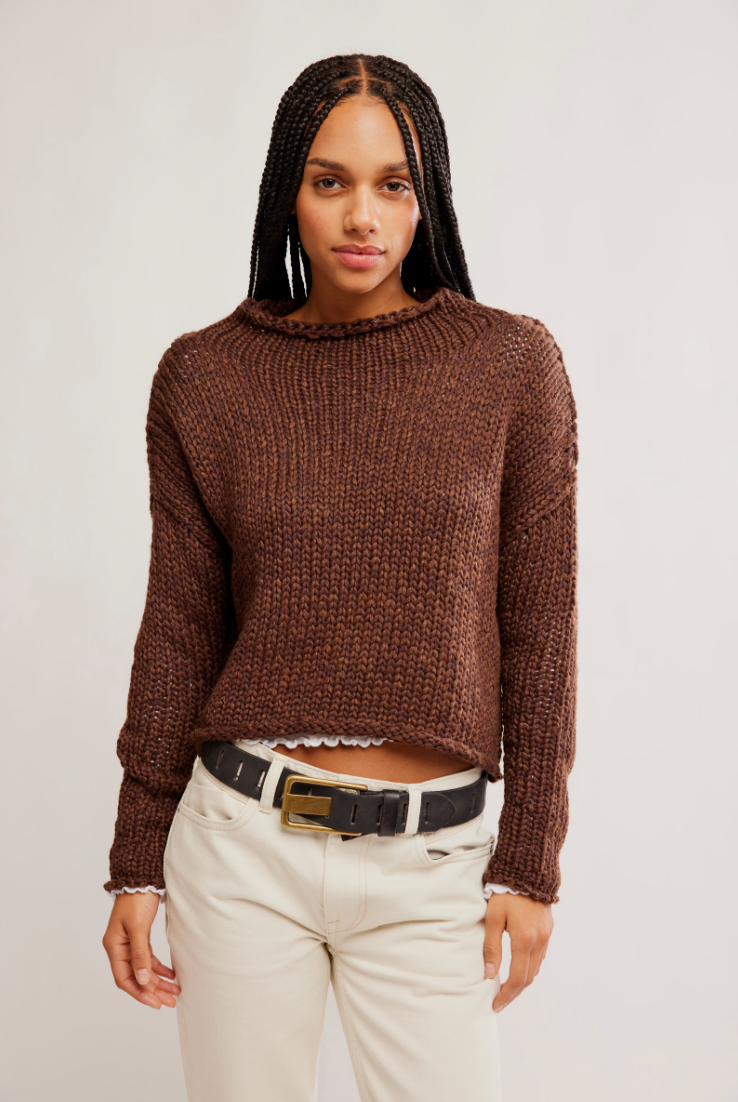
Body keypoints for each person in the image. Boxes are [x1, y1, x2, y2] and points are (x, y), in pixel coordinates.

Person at [102, 53, 578, 1102]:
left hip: (434, 863)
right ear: (290, 190)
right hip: (242, 844)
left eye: (392, 183)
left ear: (426, 194)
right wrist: (136, 859)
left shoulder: (511, 367)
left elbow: (542, 634)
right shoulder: (206, 376)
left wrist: (529, 864)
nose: (363, 215)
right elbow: (179, 628)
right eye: (331, 182)